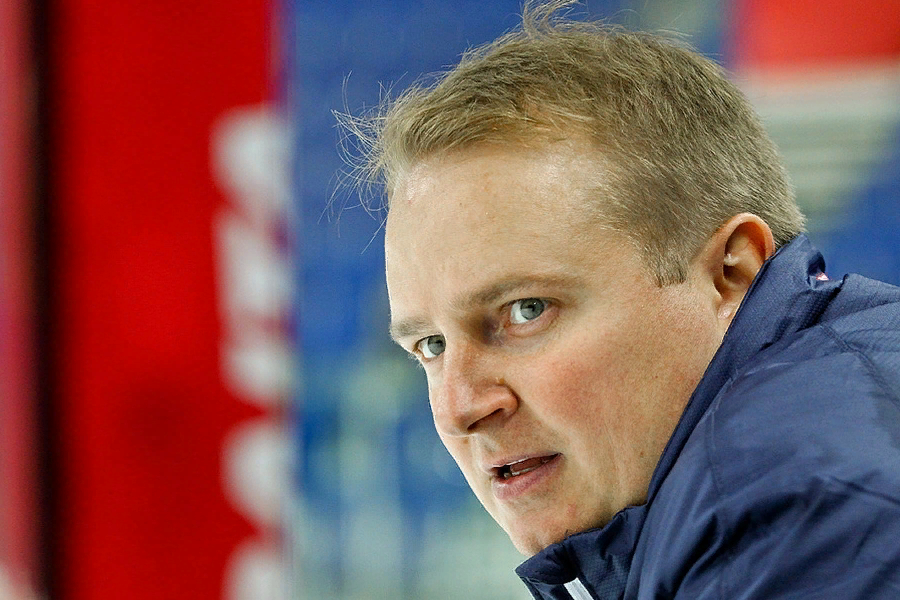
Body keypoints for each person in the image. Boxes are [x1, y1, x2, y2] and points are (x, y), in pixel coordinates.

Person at [344, 1, 900, 597]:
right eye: (430, 346)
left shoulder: (793, 508)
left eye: (526, 311)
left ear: (729, 273)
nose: (459, 408)